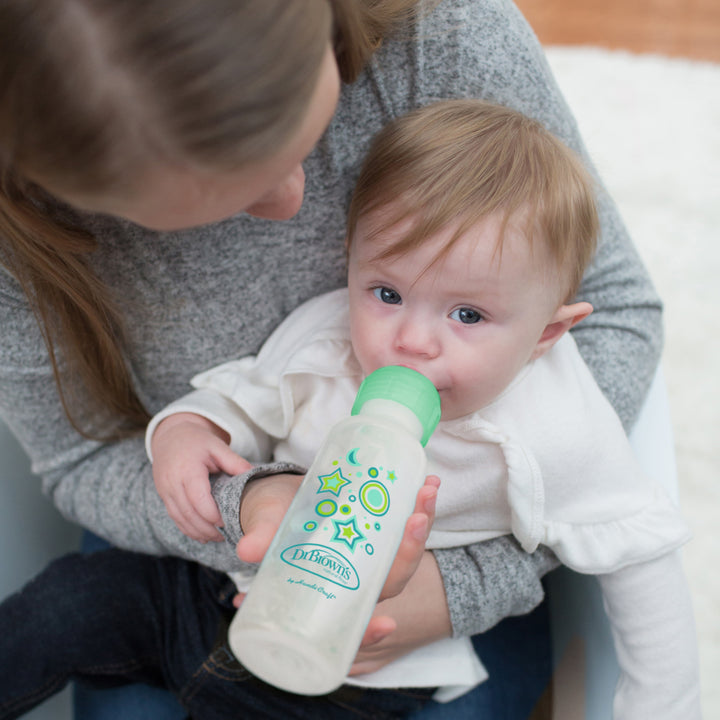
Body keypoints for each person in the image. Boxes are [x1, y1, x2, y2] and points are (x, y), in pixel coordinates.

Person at [0, 0, 665, 717]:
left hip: (420, 618)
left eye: (300, 139)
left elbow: (627, 534)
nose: (298, 202)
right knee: (62, 616)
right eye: (231, 199)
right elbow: (222, 401)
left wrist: (458, 587)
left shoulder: (445, 39)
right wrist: (232, 487)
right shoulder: (322, 340)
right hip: (183, 552)